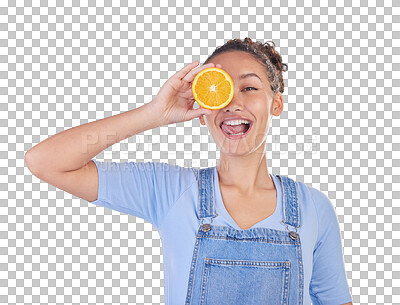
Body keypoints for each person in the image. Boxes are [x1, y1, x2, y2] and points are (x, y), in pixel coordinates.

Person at [25, 37, 353, 304]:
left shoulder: (314, 209)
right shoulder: (171, 192)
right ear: (202, 108)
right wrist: (154, 114)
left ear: (276, 103)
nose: (233, 103)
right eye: (221, 89)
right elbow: (45, 161)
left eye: (250, 88)